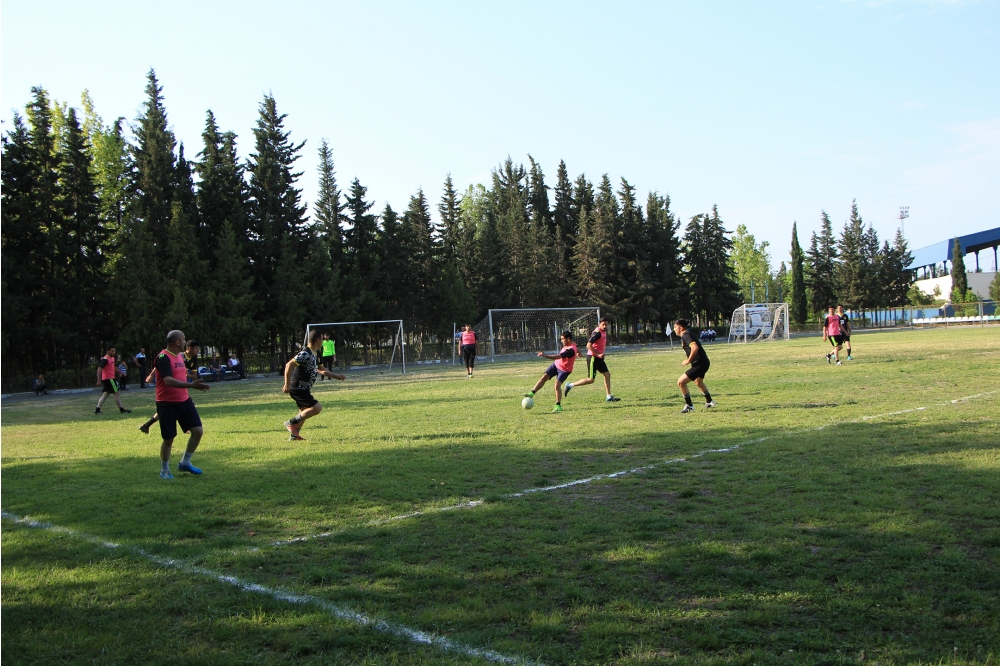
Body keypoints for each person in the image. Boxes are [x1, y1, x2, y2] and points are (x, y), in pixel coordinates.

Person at [152, 330, 210, 479]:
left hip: (184, 401)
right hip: (167, 404)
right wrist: (191, 385)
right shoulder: (163, 357)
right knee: (169, 439)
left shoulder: (179, 356)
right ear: (177, 342)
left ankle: (185, 462)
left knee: (198, 431)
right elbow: (167, 380)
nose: (185, 342)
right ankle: (164, 469)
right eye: (183, 340)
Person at [283, 329, 346, 440]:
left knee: (303, 412)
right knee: (317, 408)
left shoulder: (317, 353)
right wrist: (287, 383)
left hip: (304, 389)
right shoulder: (305, 353)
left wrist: (337, 376)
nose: (323, 341)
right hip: (298, 388)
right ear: (318, 340)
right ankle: (291, 423)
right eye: (322, 339)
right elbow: (289, 365)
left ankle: (294, 436)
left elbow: (321, 369)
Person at [140, 339, 200, 434]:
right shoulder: (179, 355)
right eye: (196, 348)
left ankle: (146, 425)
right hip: (171, 383)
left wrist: (186, 373)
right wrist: (151, 375)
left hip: (181, 385)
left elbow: (194, 376)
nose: (198, 350)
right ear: (189, 348)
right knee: (170, 407)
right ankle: (186, 426)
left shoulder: (194, 359)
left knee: (172, 408)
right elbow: (159, 365)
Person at [564, 317, 620, 402]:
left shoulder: (603, 332)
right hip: (593, 358)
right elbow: (588, 345)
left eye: (606, 324)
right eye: (603, 324)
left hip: (599, 358)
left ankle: (609, 396)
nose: (605, 326)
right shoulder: (597, 333)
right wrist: (598, 353)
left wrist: (600, 354)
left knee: (607, 374)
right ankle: (570, 385)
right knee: (591, 380)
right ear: (599, 324)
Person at [524, 331, 580, 413]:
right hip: (556, 365)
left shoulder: (571, 350)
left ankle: (558, 405)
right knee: (544, 377)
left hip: (565, 370)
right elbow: (576, 348)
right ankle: (532, 393)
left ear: (568, 339)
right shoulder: (570, 345)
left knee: (557, 385)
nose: (561, 341)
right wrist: (579, 352)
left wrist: (545, 355)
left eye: (562, 339)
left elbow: (558, 356)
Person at [674, 319, 716, 413]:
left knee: (681, 382)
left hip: (699, 364)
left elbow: (695, 347)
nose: (674, 329)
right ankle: (709, 401)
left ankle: (689, 405)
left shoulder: (686, 334)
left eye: (675, 327)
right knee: (698, 382)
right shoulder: (687, 334)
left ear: (681, 328)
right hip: (703, 362)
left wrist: (688, 360)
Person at [95, 345, 130, 415]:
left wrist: (121, 373)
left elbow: (114, 367)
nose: (114, 352)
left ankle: (97, 410)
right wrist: (98, 380)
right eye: (112, 351)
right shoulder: (105, 359)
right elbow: (99, 369)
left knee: (106, 394)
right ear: (108, 351)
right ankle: (122, 410)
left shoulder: (112, 358)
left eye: (114, 351)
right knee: (117, 393)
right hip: (109, 379)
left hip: (110, 379)